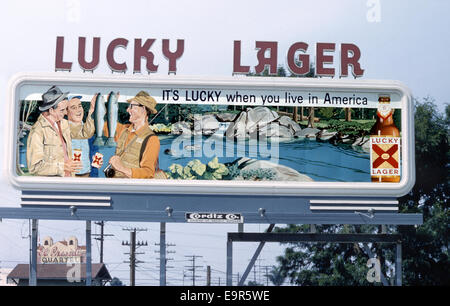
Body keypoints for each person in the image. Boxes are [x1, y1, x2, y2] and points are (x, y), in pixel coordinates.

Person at [27, 86, 81, 177]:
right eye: (62, 110)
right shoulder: (37, 131)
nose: (65, 113)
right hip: (51, 185)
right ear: (51, 110)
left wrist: (91, 110)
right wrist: (63, 167)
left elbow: (84, 133)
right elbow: (34, 167)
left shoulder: (64, 123)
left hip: (69, 181)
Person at [108, 91, 160, 178]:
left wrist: (121, 168)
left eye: (131, 106)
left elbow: (148, 173)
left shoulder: (152, 140)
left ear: (143, 109)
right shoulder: (123, 130)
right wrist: (110, 105)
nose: (128, 110)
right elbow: (101, 124)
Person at [67, 94, 102, 177]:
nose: (78, 110)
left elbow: (95, 158)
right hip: (69, 178)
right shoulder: (62, 131)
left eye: (79, 106)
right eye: (73, 108)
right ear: (66, 111)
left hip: (88, 176)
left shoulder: (91, 133)